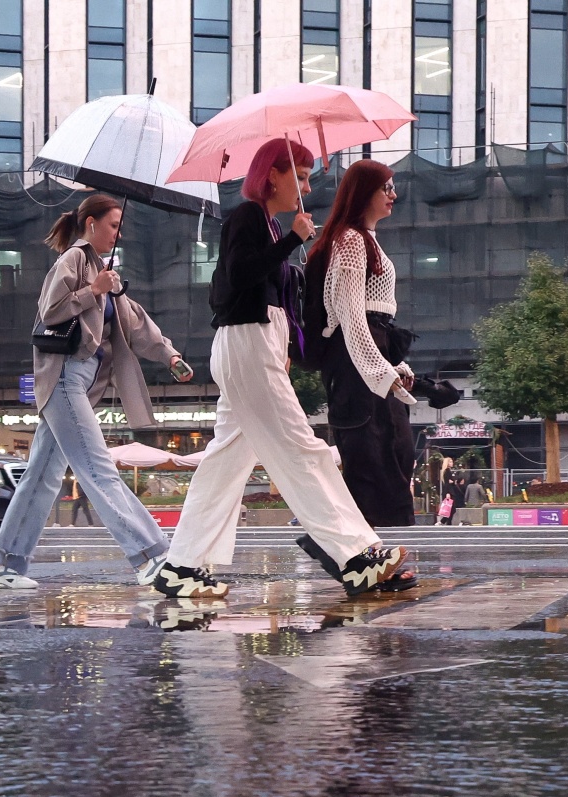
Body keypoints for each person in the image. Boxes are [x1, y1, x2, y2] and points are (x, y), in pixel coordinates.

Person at [153, 139, 414, 600]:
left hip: (255, 344)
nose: (307, 187)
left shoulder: (270, 226)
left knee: (225, 462)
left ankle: (182, 566)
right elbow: (238, 274)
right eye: (300, 176)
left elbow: (266, 288)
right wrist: (294, 239)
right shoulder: (249, 217)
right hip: (247, 342)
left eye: (310, 176)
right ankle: (355, 556)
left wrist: (287, 330)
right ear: (271, 175)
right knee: (302, 448)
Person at [0, 194, 191, 589]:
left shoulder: (105, 271)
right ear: (91, 224)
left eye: (119, 227)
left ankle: (5, 564)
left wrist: (169, 356)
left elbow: (136, 322)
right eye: (113, 226)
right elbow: (49, 311)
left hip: (80, 382)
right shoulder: (74, 261)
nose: (118, 233)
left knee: (42, 474)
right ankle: (150, 555)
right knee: (98, 469)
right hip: (63, 377)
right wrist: (92, 290)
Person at [305, 159, 417, 528]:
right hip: (357, 370)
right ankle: (368, 555)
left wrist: (390, 368)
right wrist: (381, 372)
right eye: (385, 188)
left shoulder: (363, 239)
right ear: (363, 192)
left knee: (392, 457)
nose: (393, 195)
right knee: (376, 463)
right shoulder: (351, 241)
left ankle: (377, 555)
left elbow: (365, 323)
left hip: (366, 364)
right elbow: (351, 318)